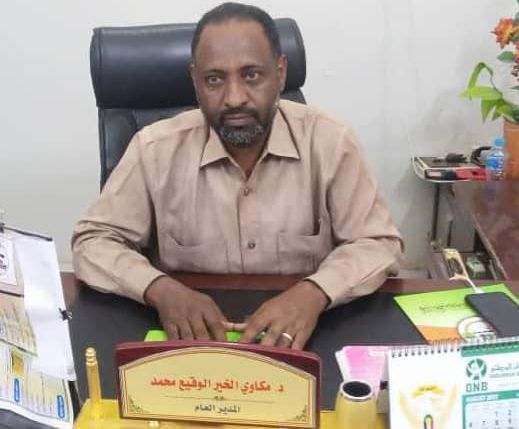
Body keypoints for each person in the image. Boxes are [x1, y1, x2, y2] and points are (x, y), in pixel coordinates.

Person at [72, 2, 403, 350]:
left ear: (280, 73)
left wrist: (314, 292)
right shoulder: (155, 149)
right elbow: (93, 241)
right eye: (214, 79)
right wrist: (160, 289)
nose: (234, 98)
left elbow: (377, 243)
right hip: (193, 340)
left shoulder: (330, 141)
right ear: (195, 81)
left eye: (252, 75)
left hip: (303, 337)